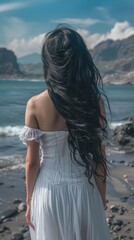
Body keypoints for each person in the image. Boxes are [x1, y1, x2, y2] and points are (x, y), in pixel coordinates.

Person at [20, 25, 111, 240]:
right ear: (80, 59)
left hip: (48, 192)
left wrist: (30, 200)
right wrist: (102, 197)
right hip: (84, 190)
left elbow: (31, 163)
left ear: (48, 61)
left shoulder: (34, 104)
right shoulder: (93, 102)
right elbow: (100, 160)